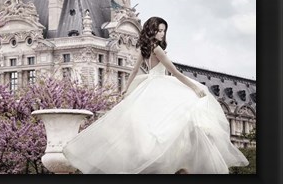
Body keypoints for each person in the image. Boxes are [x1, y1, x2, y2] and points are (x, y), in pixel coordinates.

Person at [62, 16, 249, 174]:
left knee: (152, 126)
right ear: (153, 31)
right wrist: (194, 87)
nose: (162, 33)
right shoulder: (157, 49)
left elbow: (134, 71)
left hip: (148, 85)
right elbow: (174, 72)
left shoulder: (144, 48)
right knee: (181, 119)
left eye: (164, 31)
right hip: (160, 83)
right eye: (160, 30)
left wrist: (126, 90)